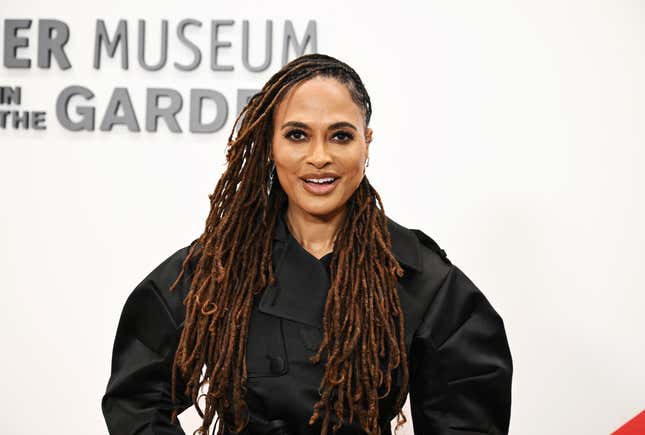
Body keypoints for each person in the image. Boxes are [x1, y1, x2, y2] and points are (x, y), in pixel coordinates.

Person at [101, 53, 513, 435]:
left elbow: (469, 418)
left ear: (366, 143)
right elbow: (137, 397)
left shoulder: (419, 277)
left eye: (340, 136)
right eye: (297, 135)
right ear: (270, 144)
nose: (319, 157)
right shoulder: (218, 267)